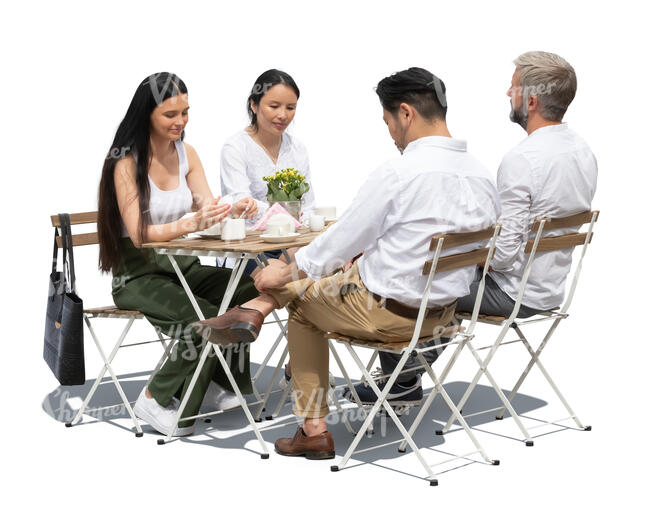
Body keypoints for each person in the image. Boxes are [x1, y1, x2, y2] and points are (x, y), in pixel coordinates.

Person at [192, 68, 500, 459]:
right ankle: (256, 308)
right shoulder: (481, 173)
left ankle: (313, 429)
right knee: (332, 272)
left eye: (389, 122)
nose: (391, 133)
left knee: (304, 306)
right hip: (443, 318)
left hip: (389, 315)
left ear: (405, 113)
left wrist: (286, 272)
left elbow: (339, 241)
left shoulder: (400, 172)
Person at [365, 51, 598, 404]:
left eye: (514, 87)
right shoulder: (583, 151)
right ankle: (405, 378)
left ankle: (400, 384)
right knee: (442, 274)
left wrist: (462, 250)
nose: (508, 92)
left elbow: (503, 258)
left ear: (531, 101)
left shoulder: (523, 160)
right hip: (550, 289)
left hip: (512, 292)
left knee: (410, 276)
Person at [97, 72, 259, 437]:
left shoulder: (188, 154)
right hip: (137, 275)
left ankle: (222, 382)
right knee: (200, 319)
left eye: (185, 112)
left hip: (182, 265)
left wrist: (232, 209)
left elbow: (207, 205)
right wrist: (189, 224)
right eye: (171, 114)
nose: (180, 122)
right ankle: (156, 398)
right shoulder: (126, 161)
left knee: (245, 291)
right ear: (146, 114)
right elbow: (139, 235)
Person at [220, 69, 316, 275]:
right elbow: (244, 205)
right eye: (274, 106)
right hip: (249, 246)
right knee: (285, 278)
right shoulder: (236, 148)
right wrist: (289, 216)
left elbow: (308, 206)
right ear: (254, 105)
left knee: (323, 261)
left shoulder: (297, 149)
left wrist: (300, 225)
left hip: (291, 242)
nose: (283, 115)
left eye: (291, 107)